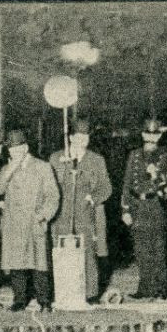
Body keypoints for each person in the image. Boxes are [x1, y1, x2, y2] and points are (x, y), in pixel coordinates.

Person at [0, 129, 60, 311]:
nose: (14, 153)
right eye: (11, 150)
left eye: (18, 149)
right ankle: (20, 300)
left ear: (26, 148)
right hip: (13, 223)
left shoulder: (42, 167)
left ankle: (44, 300)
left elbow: (53, 196)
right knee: (16, 264)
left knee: (39, 263)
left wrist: (43, 215)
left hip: (34, 221)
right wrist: (10, 169)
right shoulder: (7, 168)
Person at [48, 119, 113, 302]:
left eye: (86, 137)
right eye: (78, 137)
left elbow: (106, 187)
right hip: (62, 213)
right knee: (61, 251)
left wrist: (93, 198)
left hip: (85, 213)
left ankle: (90, 294)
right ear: (70, 138)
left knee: (87, 253)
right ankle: (63, 291)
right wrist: (64, 166)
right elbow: (49, 185)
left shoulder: (96, 160)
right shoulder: (56, 158)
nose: (83, 140)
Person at [121, 118, 167, 300]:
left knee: (158, 248)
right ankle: (145, 287)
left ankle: (161, 288)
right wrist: (125, 210)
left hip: (155, 205)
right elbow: (127, 183)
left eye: (155, 134)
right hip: (137, 206)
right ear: (143, 135)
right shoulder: (134, 155)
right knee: (141, 249)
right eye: (148, 134)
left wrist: (155, 174)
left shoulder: (165, 155)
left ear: (159, 136)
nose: (151, 138)